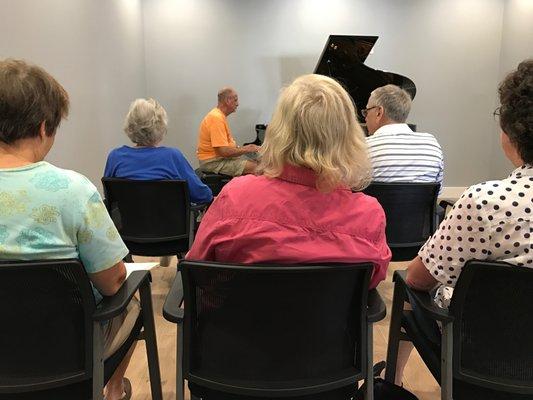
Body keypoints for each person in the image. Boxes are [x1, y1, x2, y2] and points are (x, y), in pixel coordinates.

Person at [0, 59, 135, 400]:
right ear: (45, 127)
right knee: (133, 300)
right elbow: (112, 281)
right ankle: (114, 390)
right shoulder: (72, 191)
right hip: (64, 350)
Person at [393, 59, 533, 385]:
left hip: (484, 363)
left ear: (511, 129)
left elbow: (417, 278)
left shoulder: (487, 203)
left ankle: (394, 380)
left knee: (408, 287)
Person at [187, 74, 391, 289]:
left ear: (279, 130)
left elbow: (197, 270)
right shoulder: (370, 215)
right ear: (350, 136)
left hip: (244, 320)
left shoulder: (233, 197)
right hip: (328, 323)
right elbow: (371, 281)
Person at [104, 98, 212, 204]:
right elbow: (202, 195)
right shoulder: (172, 157)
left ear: (130, 126)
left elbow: (109, 196)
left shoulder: (115, 157)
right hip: (170, 221)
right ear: (160, 127)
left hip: (128, 221)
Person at [364, 84, 444, 186]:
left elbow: (355, 190)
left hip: (376, 202)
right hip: (419, 202)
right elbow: (436, 191)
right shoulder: (432, 145)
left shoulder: (364, 147)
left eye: (366, 111)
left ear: (379, 112)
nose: (365, 117)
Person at [196, 87, 260, 176]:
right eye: (235, 100)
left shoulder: (219, 115)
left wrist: (244, 149)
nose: (238, 104)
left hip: (219, 158)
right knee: (259, 168)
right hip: (213, 162)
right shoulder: (216, 118)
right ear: (227, 101)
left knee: (257, 162)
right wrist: (246, 149)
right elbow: (224, 152)